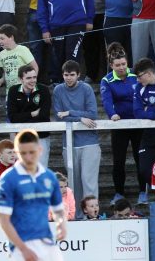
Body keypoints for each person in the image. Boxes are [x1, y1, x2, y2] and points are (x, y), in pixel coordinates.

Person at [0, 130, 66, 261]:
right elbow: (4, 220)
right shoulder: (8, 179)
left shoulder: (49, 176)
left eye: (32, 152)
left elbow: (58, 209)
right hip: (20, 246)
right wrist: (23, 249)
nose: (28, 157)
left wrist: (61, 225)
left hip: (47, 243)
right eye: (23, 153)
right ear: (17, 153)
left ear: (40, 150)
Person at [100, 42, 147, 205]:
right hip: (119, 125)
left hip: (138, 123)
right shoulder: (107, 80)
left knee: (140, 158)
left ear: (127, 63)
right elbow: (106, 101)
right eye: (117, 65)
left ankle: (143, 192)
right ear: (111, 65)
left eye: (124, 64)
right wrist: (112, 114)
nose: (121, 68)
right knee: (118, 161)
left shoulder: (136, 75)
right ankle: (118, 193)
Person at [53, 59, 100, 218]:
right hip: (69, 144)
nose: (69, 78)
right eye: (66, 75)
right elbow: (59, 117)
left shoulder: (86, 89)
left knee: (89, 184)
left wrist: (69, 113)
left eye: (72, 75)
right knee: (73, 185)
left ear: (78, 75)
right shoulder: (58, 90)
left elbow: (93, 114)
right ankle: (76, 216)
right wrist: (79, 118)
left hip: (89, 143)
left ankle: (92, 216)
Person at [7, 64, 52, 167]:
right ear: (20, 79)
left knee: (41, 170)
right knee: (23, 172)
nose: (33, 80)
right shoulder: (13, 91)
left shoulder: (43, 90)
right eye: (28, 78)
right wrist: (32, 114)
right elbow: (13, 117)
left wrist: (22, 117)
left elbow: (44, 116)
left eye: (34, 77)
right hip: (22, 138)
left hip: (41, 137)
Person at [132, 58, 155, 200]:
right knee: (144, 170)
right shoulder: (139, 88)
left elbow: (143, 110)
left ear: (149, 74)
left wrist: (148, 109)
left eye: (139, 76)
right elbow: (137, 112)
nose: (137, 80)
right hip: (149, 134)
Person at [0, 24, 38, 91]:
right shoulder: (1, 54)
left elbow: (35, 67)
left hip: (24, 89)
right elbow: (6, 72)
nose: (0, 42)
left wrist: (31, 83)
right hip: (10, 91)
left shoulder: (23, 49)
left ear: (11, 37)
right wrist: (1, 81)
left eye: (2, 39)